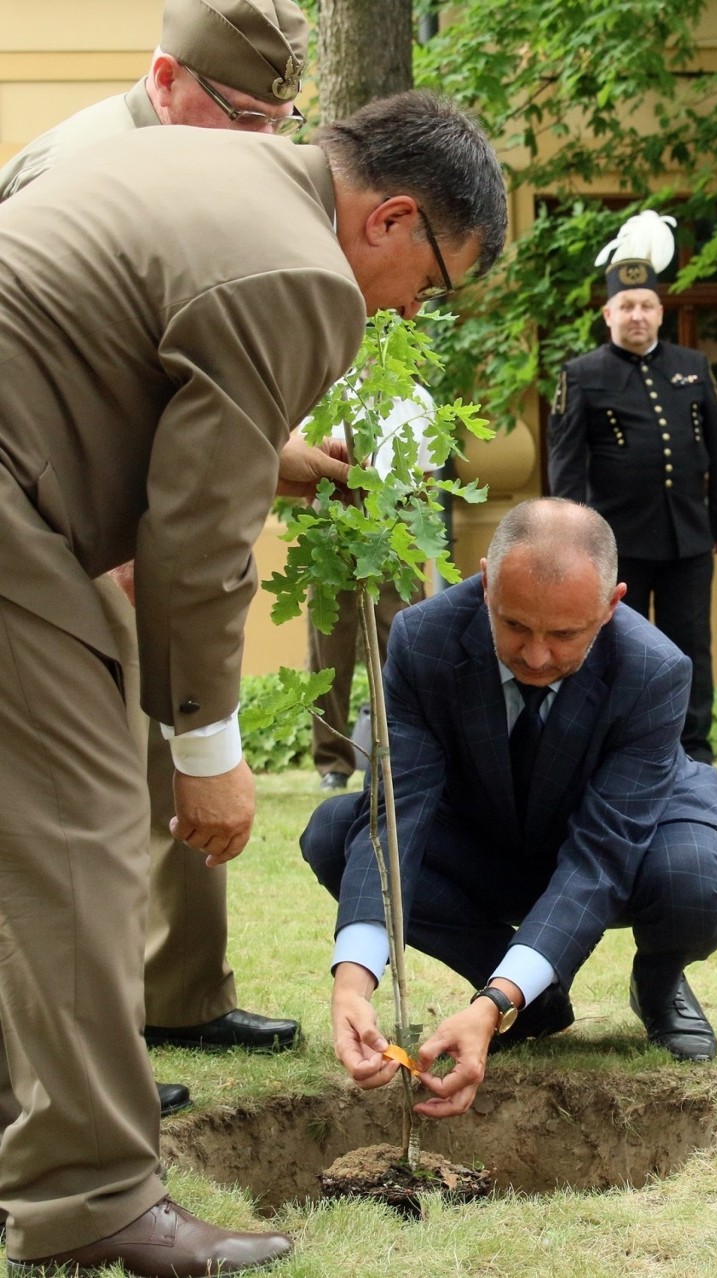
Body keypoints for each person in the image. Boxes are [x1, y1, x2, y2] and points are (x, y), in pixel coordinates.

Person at [0, 90, 506, 1273]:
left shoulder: (211, 174)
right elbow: (193, 542)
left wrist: (278, 457)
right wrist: (205, 752)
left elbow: (127, 354)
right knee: (83, 837)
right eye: (430, 284)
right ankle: (91, 1204)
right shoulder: (305, 280)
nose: (403, 310)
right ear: (389, 219)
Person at [0, 1, 313, 1088]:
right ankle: (92, 1052)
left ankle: (181, 993)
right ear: (165, 75)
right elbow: (71, 370)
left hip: (124, 523)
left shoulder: (216, 169)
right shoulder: (81, 163)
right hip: (61, 530)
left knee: (177, 739)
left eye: (284, 121)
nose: (263, 146)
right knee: (93, 799)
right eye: (245, 115)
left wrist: (277, 449)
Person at [301, 498, 717, 1121]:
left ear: (612, 604)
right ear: (485, 584)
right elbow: (398, 811)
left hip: (634, 837)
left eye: (564, 635)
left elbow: (601, 856)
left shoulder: (655, 670)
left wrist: (486, 1010)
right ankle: (533, 1000)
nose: (536, 656)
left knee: (693, 883)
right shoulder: (424, 638)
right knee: (332, 835)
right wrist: (354, 979)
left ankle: (660, 983)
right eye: (515, 627)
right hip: (489, 831)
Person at [547, 213, 717, 765]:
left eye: (646, 305)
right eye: (626, 306)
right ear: (608, 314)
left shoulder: (692, 367)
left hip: (687, 539)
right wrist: (575, 538)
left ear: (660, 311)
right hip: (618, 542)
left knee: (689, 646)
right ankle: (617, 746)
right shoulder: (582, 374)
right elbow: (567, 463)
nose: (637, 315)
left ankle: (693, 750)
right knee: (616, 649)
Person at [309, 384, 436, 791]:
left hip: (397, 516)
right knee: (329, 642)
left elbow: (427, 475)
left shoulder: (417, 397)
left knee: (400, 638)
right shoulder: (326, 390)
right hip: (335, 509)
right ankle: (332, 761)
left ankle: (398, 754)